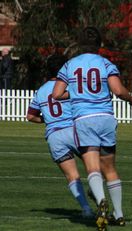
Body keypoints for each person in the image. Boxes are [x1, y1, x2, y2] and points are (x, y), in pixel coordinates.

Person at [52, 27, 132, 230]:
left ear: (80, 44)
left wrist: (77, 95)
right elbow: (117, 90)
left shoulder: (69, 65)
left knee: (92, 167)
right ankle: (119, 214)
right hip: (105, 118)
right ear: (99, 45)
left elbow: (56, 94)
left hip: (84, 119)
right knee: (110, 168)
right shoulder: (106, 63)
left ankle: (100, 201)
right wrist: (131, 98)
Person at [26, 54, 94, 218]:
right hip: (75, 131)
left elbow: (30, 116)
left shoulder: (41, 91)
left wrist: (46, 119)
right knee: (93, 167)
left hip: (54, 136)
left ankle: (86, 209)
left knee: (72, 176)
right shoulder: (70, 86)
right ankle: (96, 193)